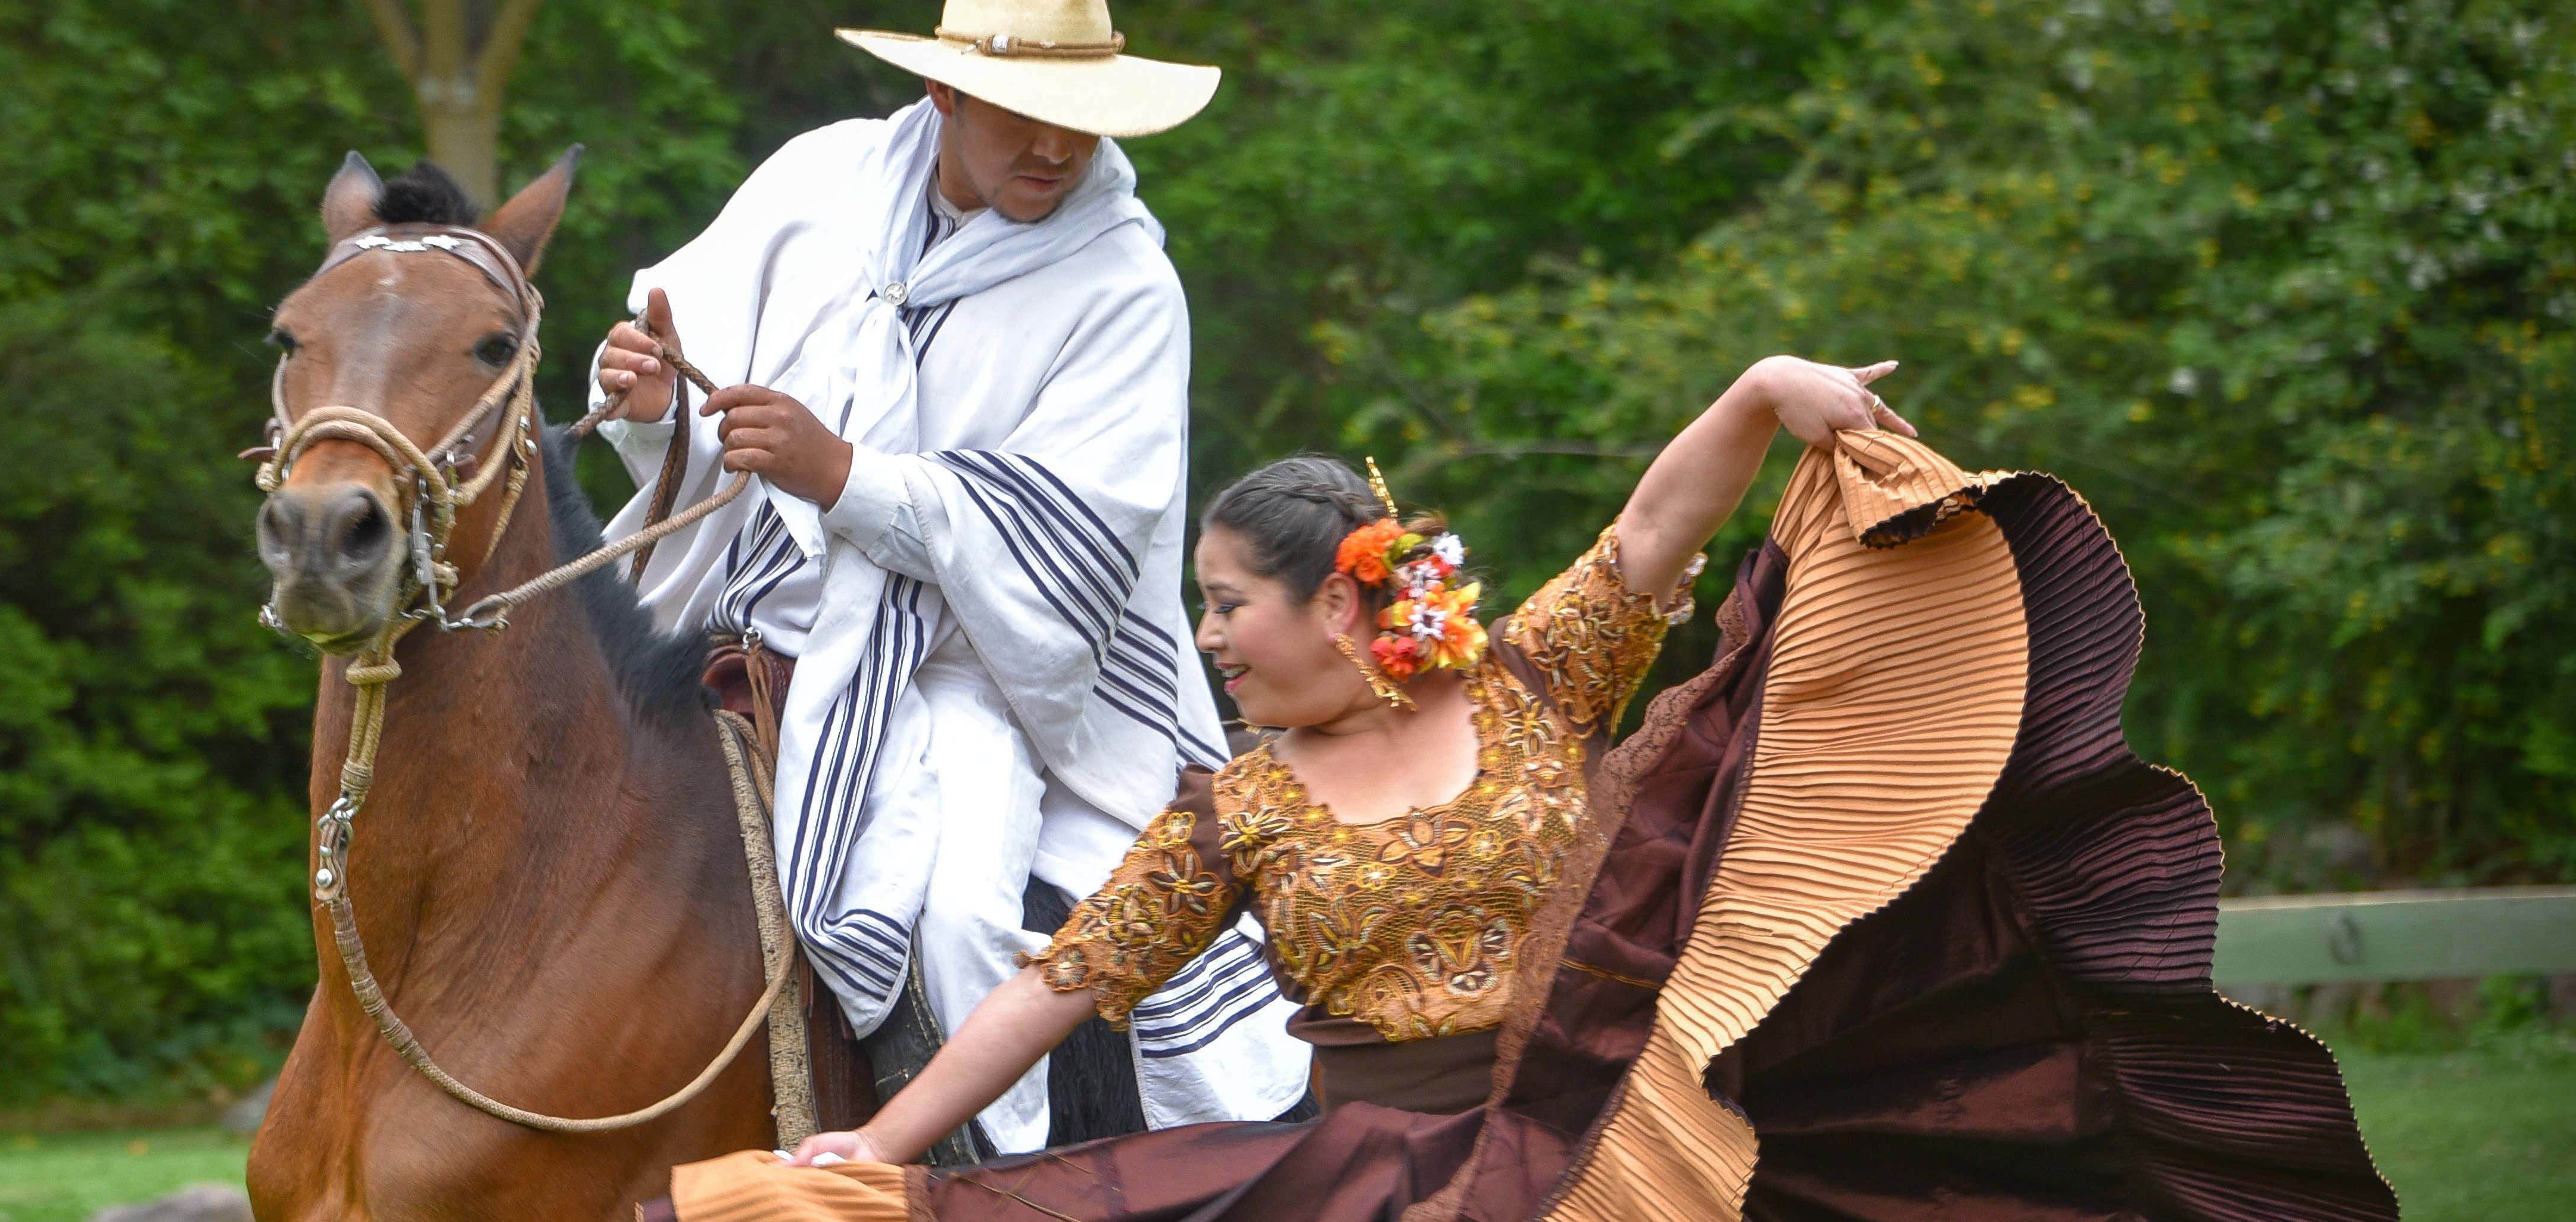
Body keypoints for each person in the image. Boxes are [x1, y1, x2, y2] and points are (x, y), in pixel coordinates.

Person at [646, 355, 2401, 1221]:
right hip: (1377, 1169)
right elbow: (1055, 983)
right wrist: (873, 1145)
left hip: (1612, 1130)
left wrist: (1762, 391)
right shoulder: (1235, 807)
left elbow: (1653, 534)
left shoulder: (1533, 681)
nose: (1210, 637)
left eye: (1228, 603)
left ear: (1341, 595)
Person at [584, 0, 1301, 1154]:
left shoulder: (1122, 283)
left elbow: (1077, 543)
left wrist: (845, 477)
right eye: (1024, 113)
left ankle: (979, 1175)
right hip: (753, 614)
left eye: (1081, 119)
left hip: (976, 672)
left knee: (961, 912)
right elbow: (687, 373)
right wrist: (650, 404)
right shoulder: (817, 185)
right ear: (944, 96)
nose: (1056, 149)